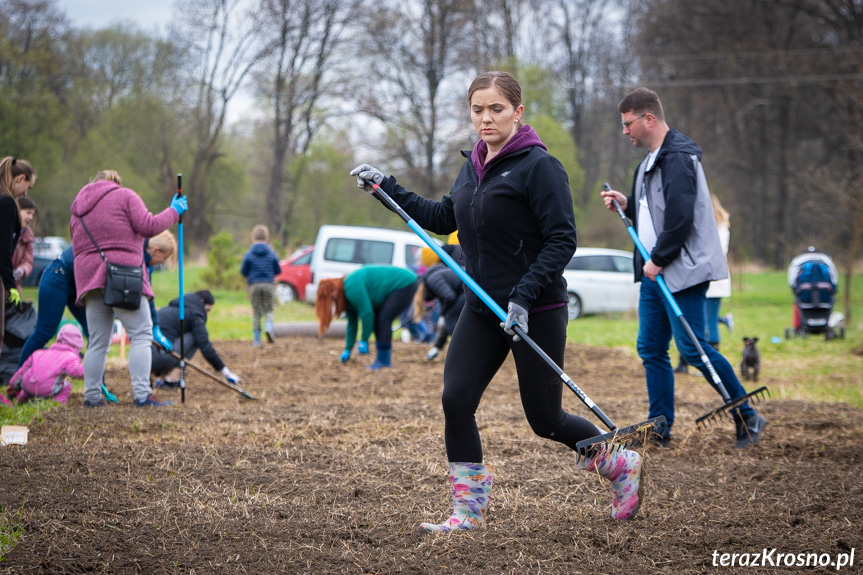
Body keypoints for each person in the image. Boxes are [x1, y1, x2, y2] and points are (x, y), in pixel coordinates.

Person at [349, 71, 645, 529]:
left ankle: (618, 463)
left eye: (496, 109)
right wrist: (386, 188)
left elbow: (562, 240)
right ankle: (468, 509)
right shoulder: (473, 166)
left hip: (536, 309)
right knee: (456, 398)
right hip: (482, 306)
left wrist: (525, 297)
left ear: (517, 112)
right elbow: (444, 215)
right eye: (477, 110)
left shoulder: (539, 166)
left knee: (544, 419)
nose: (485, 118)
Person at [600, 86, 767, 449]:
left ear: (649, 118)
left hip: (681, 270)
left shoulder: (678, 157)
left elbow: (680, 219)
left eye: (628, 124)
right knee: (651, 349)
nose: (625, 131)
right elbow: (652, 212)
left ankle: (748, 416)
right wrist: (626, 205)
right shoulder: (647, 162)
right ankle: (660, 428)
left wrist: (658, 260)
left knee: (693, 349)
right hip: (653, 273)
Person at [70, 169, 186, 408]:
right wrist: (174, 211)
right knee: (141, 334)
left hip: (89, 279)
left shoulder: (77, 210)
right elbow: (149, 226)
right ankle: (142, 395)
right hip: (122, 277)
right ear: (114, 182)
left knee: (97, 341)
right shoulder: (125, 196)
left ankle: (91, 398)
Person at [16, 232, 176, 371]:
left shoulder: (144, 262)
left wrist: (155, 326)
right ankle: (17, 380)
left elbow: (147, 294)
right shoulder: (131, 249)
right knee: (45, 331)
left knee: (96, 335)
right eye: (165, 257)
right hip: (59, 275)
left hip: (79, 285)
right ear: (156, 250)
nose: (163, 262)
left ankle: (99, 385)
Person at [316, 265, 418, 370]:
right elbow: (352, 324)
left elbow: (367, 314)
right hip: (396, 286)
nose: (333, 301)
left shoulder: (351, 287)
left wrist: (364, 339)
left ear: (334, 290)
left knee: (384, 320)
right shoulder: (347, 297)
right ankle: (382, 360)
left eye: (332, 298)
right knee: (379, 321)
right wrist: (348, 349)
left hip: (403, 283)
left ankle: (384, 362)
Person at [674, 194, 733, 374]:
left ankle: (703, 363)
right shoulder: (723, 227)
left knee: (699, 320)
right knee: (707, 320)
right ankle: (694, 362)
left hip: (707, 276)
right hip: (716, 278)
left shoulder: (709, 227)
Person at [151, 290, 241, 388]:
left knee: (174, 339)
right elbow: (205, 346)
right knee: (196, 336)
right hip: (160, 358)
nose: (207, 315)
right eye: (207, 310)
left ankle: (162, 377)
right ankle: (171, 379)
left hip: (145, 360)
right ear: (201, 302)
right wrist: (226, 372)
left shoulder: (170, 309)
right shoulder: (195, 314)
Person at [0, 157, 37, 343]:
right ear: (20, 178)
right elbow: (3, 250)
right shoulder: (6, 203)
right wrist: (10, 285)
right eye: (28, 187)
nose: (25, 193)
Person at [6, 323, 83, 404]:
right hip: (45, 390)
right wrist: (90, 371)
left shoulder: (39, 353)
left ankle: (20, 401)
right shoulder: (70, 357)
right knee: (67, 386)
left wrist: (12, 385)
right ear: (76, 346)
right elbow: (76, 372)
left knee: (29, 378)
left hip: (27, 387)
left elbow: (22, 370)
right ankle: (57, 404)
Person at [415, 244, 466, 361]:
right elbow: (448, 302)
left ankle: (462, 353)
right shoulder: (434, 277)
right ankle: (438, 348)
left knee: (450, 318)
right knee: (449, 318)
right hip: (466, 289)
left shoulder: (432, 280)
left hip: (470, 288)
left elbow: (450, 297)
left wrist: (442, 316)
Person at [240, 225, 281, 347]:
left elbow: (243, 272)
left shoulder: (248, 254)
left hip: (254, 285)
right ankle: (268, 326)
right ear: (267, 238)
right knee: (269, 309)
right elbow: (278, 271)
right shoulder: (272, 254)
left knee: (257, 312)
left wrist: (248, 287)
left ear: (253, 238)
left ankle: (257, 340)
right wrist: (274, 286)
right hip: (268, 284)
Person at [12, 197, 37, 291]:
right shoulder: (5, 229)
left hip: (15, 288)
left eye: (32, 215)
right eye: (28, 213)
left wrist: (21, 270)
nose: (30, 217)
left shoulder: (28, 236)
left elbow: (28, 260)